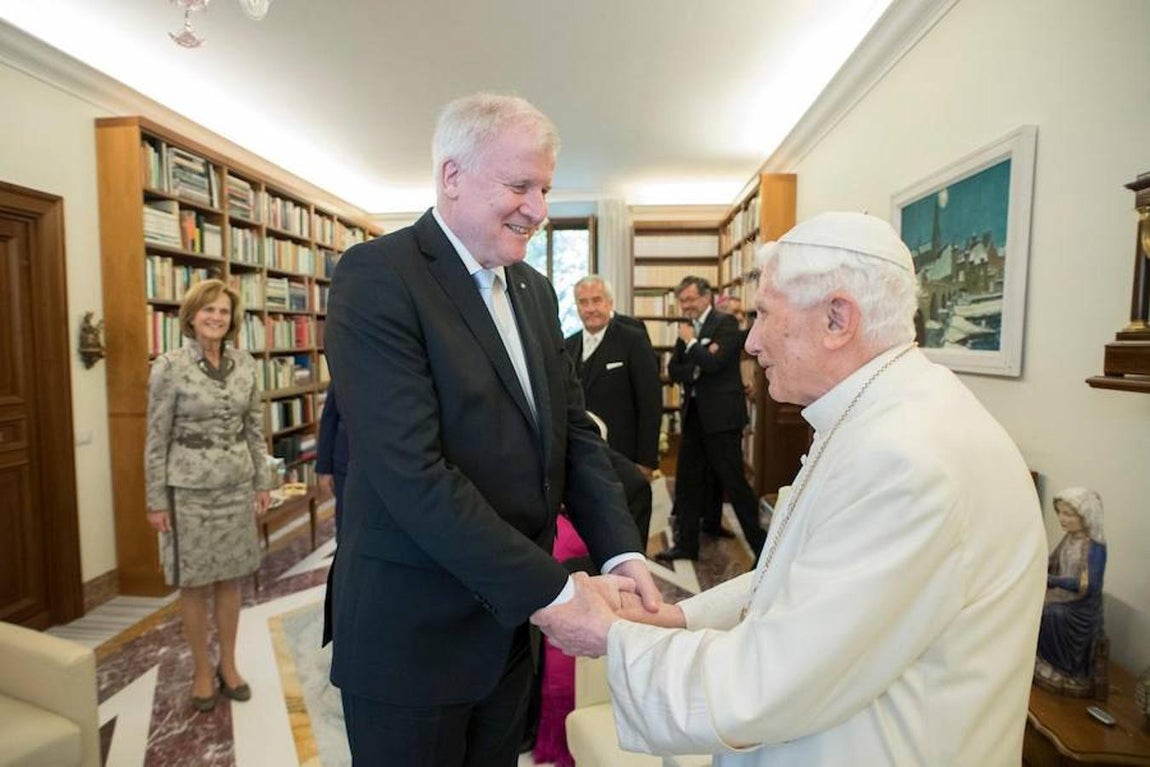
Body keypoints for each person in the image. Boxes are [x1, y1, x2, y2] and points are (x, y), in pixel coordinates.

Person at [532, 212, 1048, 766]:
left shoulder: (905, 460)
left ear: (837, 318)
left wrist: (613, 635)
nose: (750, 341)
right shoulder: (883, 413)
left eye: (763, 315)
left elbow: (768, 684)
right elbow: (801, 573)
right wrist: (680, 618)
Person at [323, 92, 660, 766]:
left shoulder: (533, 290)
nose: (537, 208)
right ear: (452, 176)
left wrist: (622, 551)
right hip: (413, 640)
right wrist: (556, 590)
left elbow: (576, 437)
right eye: (519, 185)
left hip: (509, 635)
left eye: (545, 188)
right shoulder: (377, 277)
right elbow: (411, 474)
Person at [144, 278, 273, 712]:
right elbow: (155, 437)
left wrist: (262, 482)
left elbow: (254, 429)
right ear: (192, 316)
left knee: (231, 579)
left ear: (231, 319)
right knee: (195, 584)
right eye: (208, 310)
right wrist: (155, 499)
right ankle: (202, 671)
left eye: (222, 311)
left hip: (236, 485)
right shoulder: (169, 365)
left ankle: (229, 666)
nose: (216, 317)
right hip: (188, 492)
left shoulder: (245, 364)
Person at [657, 276, 765, 562]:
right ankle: (686, 544)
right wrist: (698, 360)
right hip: (693, 417)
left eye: (691, 299)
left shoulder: (725, 323)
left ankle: (763, 549)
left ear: (706, 297)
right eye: (682, 301)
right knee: (688, 483)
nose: (686, 306)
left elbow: (716, 364)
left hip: (722, 419)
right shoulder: (688, 328)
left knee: (735, 483)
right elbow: (675, 369)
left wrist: (693, 346)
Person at [565, 275, 662, 478]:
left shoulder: (633, 340)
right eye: (583, 302)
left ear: (610, 303)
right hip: (580, 458)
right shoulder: (567, 346)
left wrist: (646, 460)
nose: (590, 308)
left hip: (624, 455)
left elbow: (650, 403)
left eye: (597, 300)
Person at [1035, 487, 1107, 689]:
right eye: (1060, 512)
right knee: (1033, 604)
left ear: (1086, 516)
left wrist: (1054, 581)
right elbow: (1053, 562)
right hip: (1065, 597)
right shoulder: (1069, 538)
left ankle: (1065, 668)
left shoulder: (1094, 548)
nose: (1062, 519)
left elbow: (1089, 586)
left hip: (1081, 608)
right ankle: (1044, 660)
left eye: (1068, 514)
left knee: (1048, 614)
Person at [315, 383, 349, 538]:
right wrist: (324, 468)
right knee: (346, 523)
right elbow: (329, 420)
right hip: (346, 462)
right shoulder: (344, 368)